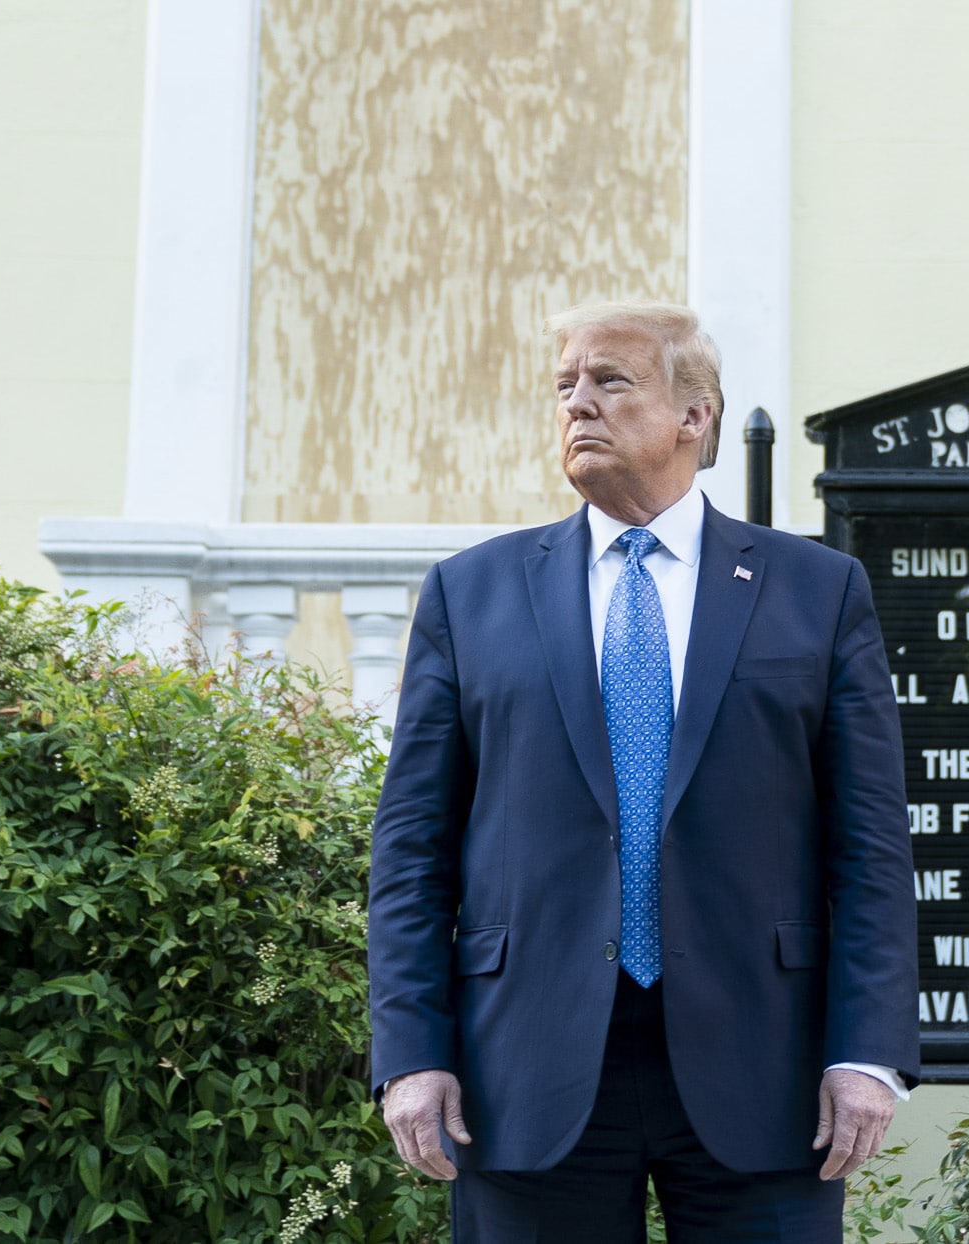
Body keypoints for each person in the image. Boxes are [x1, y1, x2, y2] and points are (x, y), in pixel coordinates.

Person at [367, 300, 920, 1241]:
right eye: (565, 385)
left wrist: (867, 1052)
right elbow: (411, 850)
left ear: (694, 415)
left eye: (611, 381)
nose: (578, 403)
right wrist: (412, 1052)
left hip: (765, 1061)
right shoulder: (473, 593)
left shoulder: (816, 593)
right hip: (525, 1065)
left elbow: (869, 847)